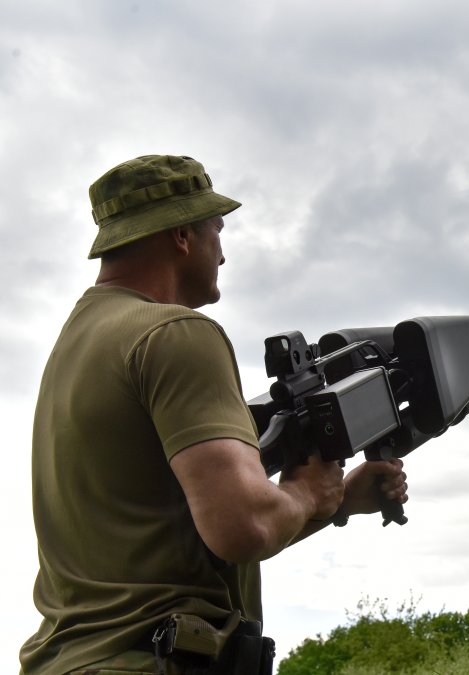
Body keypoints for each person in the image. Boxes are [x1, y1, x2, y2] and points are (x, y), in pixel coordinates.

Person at [20, 154, 407, 674]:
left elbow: (181, 537)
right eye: (216, 230)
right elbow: (241, 525)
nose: (221, 253)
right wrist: (310, 491)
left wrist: (333, 503)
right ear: (182, 235)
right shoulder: (176, 333)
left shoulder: (78, 342)